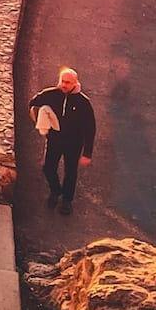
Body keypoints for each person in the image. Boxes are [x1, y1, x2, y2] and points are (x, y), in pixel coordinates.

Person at [26, 67, 97, 215]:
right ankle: (55, 190)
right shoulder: (51, 94)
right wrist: (39, 118)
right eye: (63, 81)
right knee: (48, 168)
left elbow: (90, 128)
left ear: (75, 83)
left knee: (70, 172)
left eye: (68, 82)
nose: (64, 85)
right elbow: (33, 102)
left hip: (74, 144)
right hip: (54, 140)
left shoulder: (84, 103)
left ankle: (66, 201)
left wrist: (87, 153)